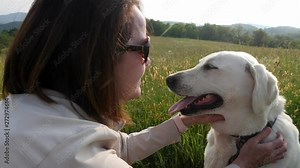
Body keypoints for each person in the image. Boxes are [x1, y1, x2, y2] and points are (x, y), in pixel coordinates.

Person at [0, 0, 287, 167]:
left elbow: (114, 147)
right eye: (143, 49)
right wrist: (241, 165)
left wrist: (180, 123)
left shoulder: (24, 111)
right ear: (98, 57)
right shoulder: (77, 157)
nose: (148, 62)